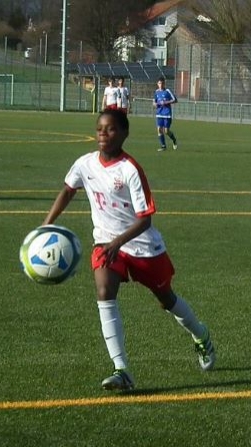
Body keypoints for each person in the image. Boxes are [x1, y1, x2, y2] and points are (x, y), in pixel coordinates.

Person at [40, 109, 216, 391]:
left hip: (143, 246)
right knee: (104, 291)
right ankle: (121, 369)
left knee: (166, 299)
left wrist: (118, 243)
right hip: (106, 243)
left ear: (124, 134)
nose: (103, 134)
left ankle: (201, 335)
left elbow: (145, 219)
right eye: (99, 129)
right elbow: (68, 190)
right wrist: (46, 224)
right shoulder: (84, 164)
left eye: (110, 129)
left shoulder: (130, 170)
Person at [154, 77, 179, 152]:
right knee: (159, 129)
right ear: (157, 84)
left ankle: (174, 140)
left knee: (166, 131)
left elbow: (175, 100)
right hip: (159, 113)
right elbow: (154, 101)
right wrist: (155, 104)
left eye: (162, 83)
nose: (161, 85)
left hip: (167, 114)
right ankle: (163, 146)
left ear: (164, 84)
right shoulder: (156, 92)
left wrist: (165, 102)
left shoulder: (167, 91)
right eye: (159, 83)